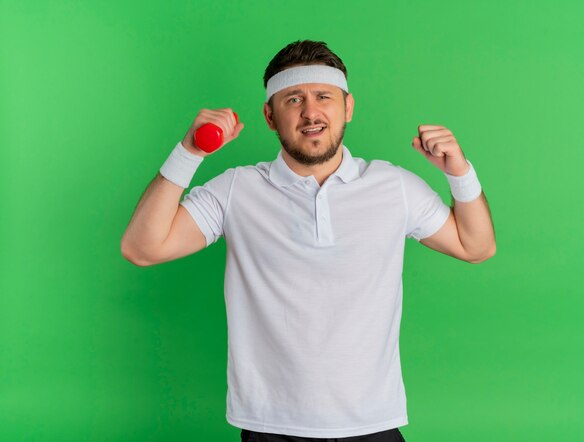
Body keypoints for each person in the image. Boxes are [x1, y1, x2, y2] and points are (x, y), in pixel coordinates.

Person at [121, 39, 496, 442]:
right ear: (270, 116)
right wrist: (189, 152)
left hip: (372, 422)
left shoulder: (393, 186)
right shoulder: (237, 189)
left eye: (324, 97)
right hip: (270, 426)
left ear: (348, 107)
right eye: (293, 99)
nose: (311, 112)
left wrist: (459, 172)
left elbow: (475, 247)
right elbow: (142, 248)